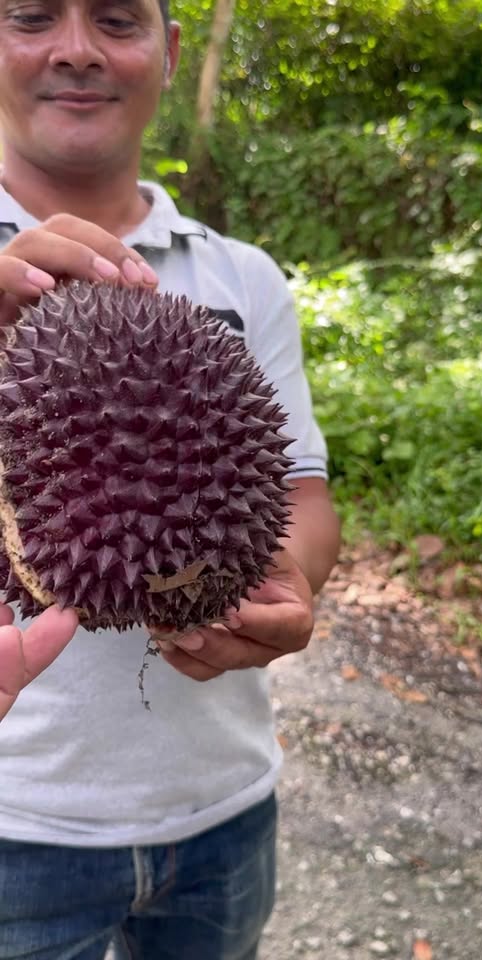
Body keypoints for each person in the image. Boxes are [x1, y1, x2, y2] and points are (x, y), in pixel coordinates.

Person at [0, 0, 341, 957]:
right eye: (31, 16)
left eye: (115, 17)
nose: (75, 49)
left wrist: (293, 581)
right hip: (15, 829)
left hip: (224, 804)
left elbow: (302, 493)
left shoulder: (243, 276)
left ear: (168, 48)